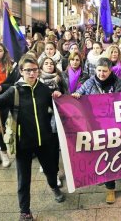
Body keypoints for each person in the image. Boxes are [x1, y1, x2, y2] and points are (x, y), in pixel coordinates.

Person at [0, 55, 65, 221]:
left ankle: (54, 187)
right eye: (28, 70)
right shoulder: (15, 90)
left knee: (51, 170)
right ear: (21, 71)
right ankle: (25, 211)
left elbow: (58, 105)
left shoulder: (44, 90)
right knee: (23, 178)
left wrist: (58, 94)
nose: (31, 73)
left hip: (45, 141)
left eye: (34, 70)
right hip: (23, 143)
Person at [72, 58, 121, 204]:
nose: (102, 74)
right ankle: (103, 176)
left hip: (113, 126)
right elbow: (79, 93)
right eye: (99, 70)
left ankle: (110, 189)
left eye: (105, 71)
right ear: (95, 70)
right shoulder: (90, 82)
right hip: (94, 126)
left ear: (110, 71)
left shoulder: (118, 83)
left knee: (110, 156)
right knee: (98, 155)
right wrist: (77, 95)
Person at [39, 57, 66, 187]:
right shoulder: (37, 81)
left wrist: (60, 94)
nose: (49, 65)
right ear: (41, 66)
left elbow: (66, 94)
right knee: (44, 147)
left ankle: (55, 174)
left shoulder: (59, 79)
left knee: (54, 147)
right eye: (46, 63)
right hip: (42, 118)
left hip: (56, 117)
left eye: (51, 63)